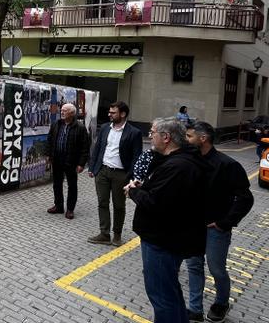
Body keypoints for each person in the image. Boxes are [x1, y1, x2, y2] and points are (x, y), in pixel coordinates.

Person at [126, 117, 209, 323]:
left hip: (163, 242)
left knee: (162, 297)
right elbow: (160, 190)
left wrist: (134, 191)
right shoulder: (173, 161)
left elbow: (155, 202)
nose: (149, 136)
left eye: (152, 132)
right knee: (170, 293)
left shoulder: (178, 166)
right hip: (167, 238)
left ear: (166, 137)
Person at [184, 121, 254, 322]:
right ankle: (195, 309)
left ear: (203, 138)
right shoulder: (190, 160)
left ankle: (221, 303)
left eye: (190, 136)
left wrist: (225, 223)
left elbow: (246, 198)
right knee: (194, 266)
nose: (187, 140)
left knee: (216, 269)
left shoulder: (228, 165)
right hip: (193, 227)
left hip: (216, 229)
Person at [87, 101, 143, 246]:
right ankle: (104, 234)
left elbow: (136, 156)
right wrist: (93, 168)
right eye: (109, 112)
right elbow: (98, 148)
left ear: (123, 114)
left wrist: (131, 176)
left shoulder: (134, 133)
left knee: (119, 205)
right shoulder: (105, 127)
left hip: (121, 174)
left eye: (113, 112)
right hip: (103, 171)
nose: (109, 114)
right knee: (102, 203)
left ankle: (117, 235)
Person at [46, 103, 90, 219]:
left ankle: (70, 209)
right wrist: (49, 156)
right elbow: (50, 140)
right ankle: (58, 206)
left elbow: (85, 147)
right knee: (57, 184)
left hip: (71, 161)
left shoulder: (80, 127)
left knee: (72, 185)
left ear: (72, 113)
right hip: (57, 159)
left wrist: (81, 164)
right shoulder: (57, 124)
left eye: (65, 110)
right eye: (62, 110)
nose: (62, 112)